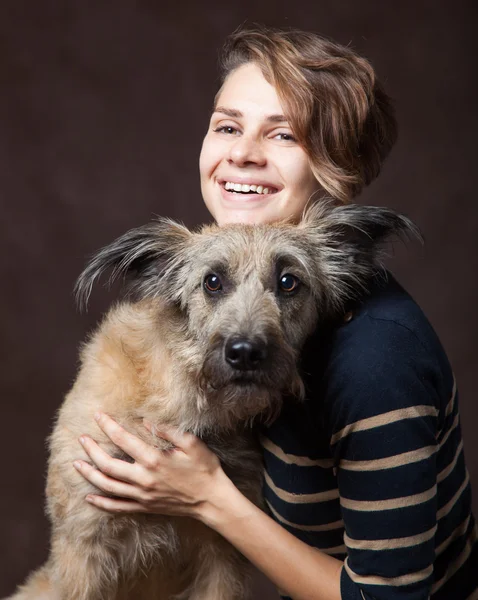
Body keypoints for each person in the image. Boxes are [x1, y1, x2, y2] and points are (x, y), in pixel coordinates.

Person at [72, 27, 478, 600]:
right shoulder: (233, 304)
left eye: (283, 134)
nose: (241, 153)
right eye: (228, 126)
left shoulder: (377, 361)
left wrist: (209, 497)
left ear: (338, 169)